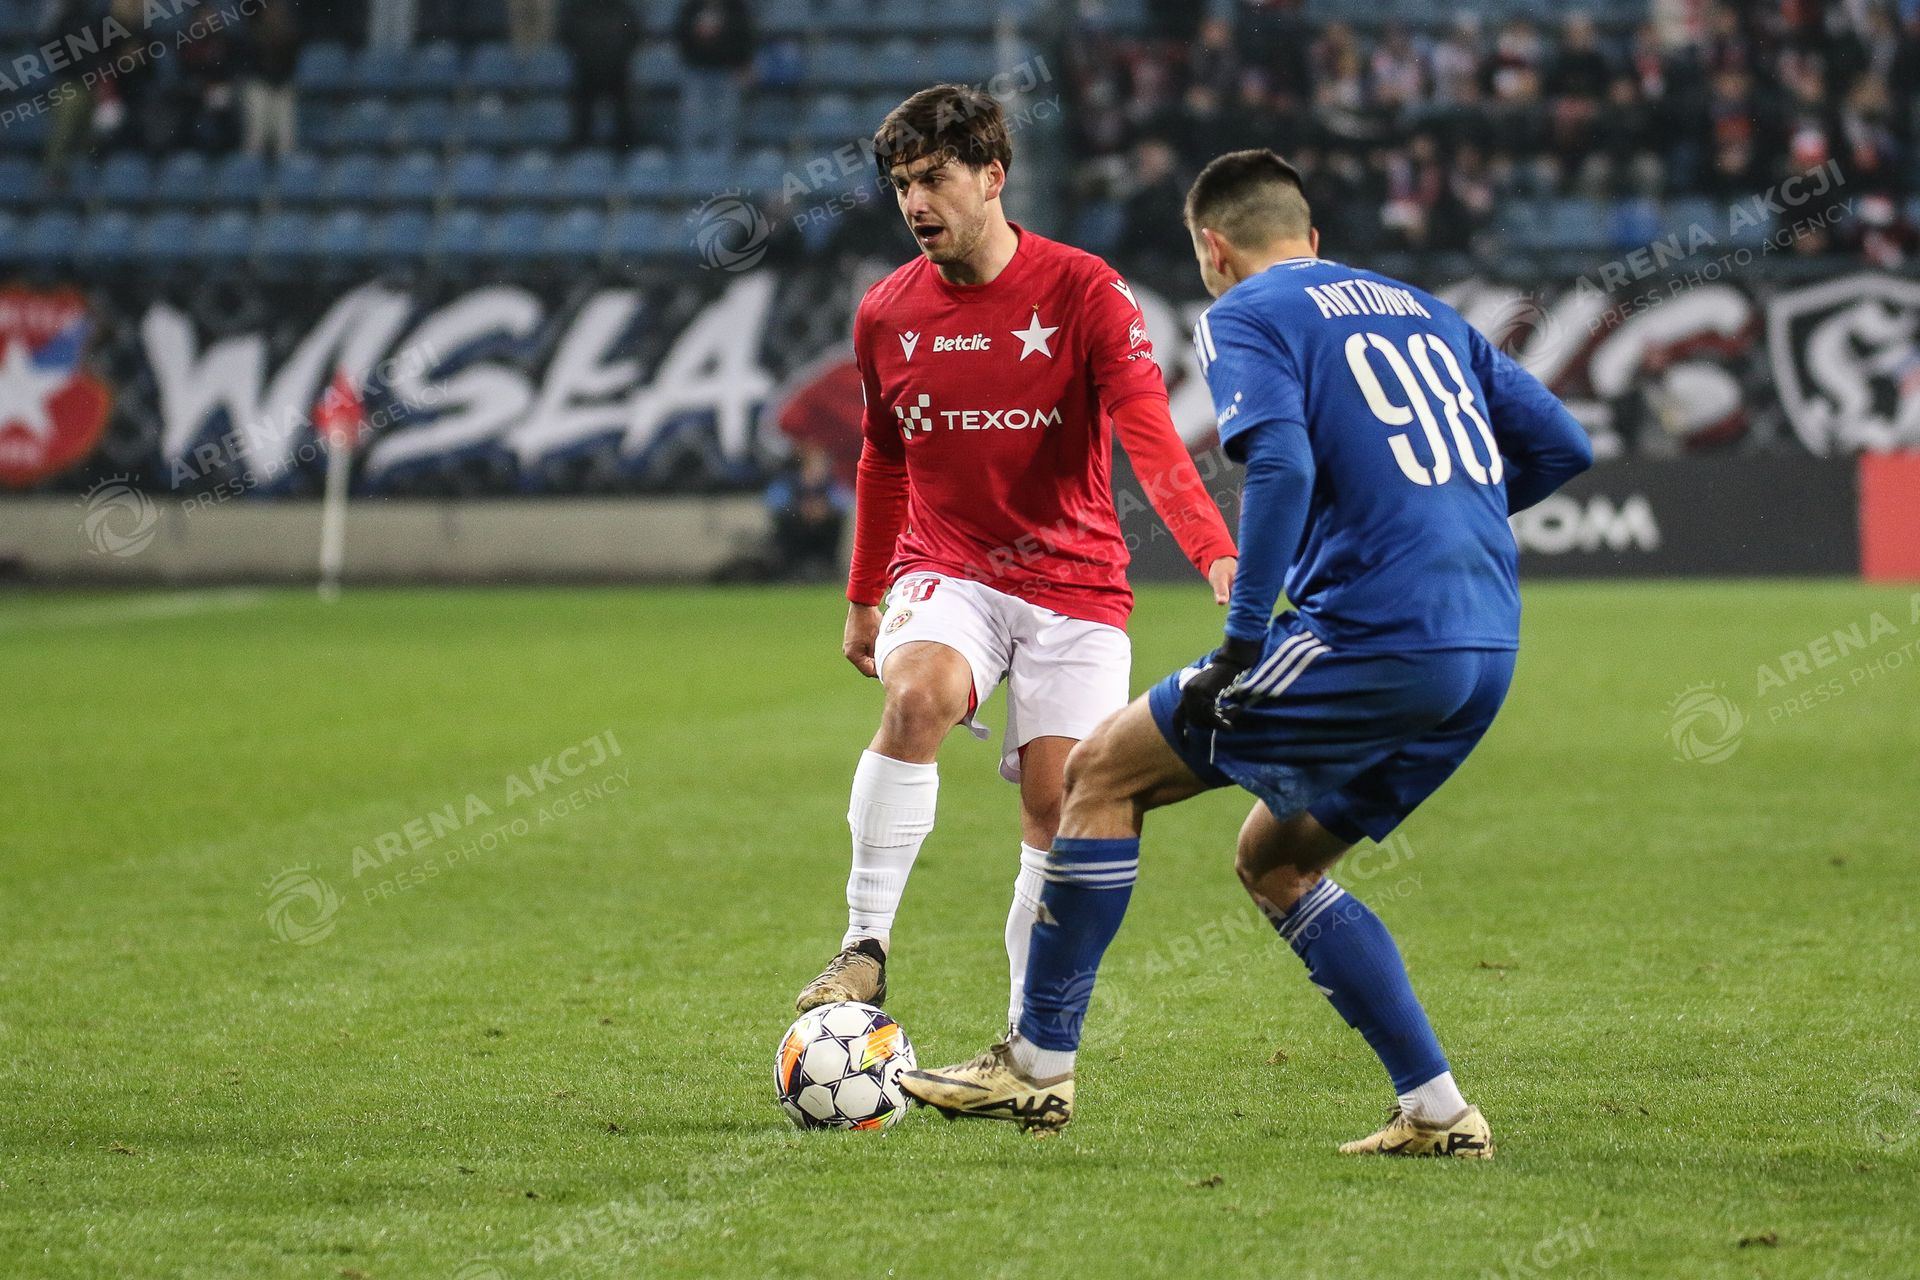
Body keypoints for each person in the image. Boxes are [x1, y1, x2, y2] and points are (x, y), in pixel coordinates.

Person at [903, 149, 1594, 1153]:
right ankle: (1439, 1111)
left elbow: (1281, 462)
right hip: (1485, 645)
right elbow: (1564, 445)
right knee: (1277, 860)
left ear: (1212, 248)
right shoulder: (1426, 311)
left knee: (1100, 772)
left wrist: (1245, 634)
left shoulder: (1246, 313)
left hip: (1371, 633)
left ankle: (1035, 1065)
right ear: (1311, 237)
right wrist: (1438, 517)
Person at [791, 86, 1239, 1035]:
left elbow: (1150, 434)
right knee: (918, 696)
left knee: (1057, 806)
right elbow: (882, 457)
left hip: (1074, 583)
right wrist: (864, 596)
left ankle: (1024, 1047)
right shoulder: (886, 314)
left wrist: (1214, 552)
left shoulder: (1085, 291)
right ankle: (863, 945)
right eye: (902, 185)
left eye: (934, 179)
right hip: (947, 567)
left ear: (993, 177)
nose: (916, 203)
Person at [672, 0, 755, 162]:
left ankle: (725, 162)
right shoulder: (692, 7)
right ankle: (691, 163)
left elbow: (745, 34)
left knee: (727, 119)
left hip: (728, 71)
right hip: (696, 71)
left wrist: (743, 63)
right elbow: (681, 35)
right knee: (693, 119)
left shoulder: (736, 7)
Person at [561, 0, 642, 147]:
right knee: (582, 117)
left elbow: (634, 35)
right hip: (586, 70)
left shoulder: (622, 9)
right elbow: (567, 36)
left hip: (616, 69)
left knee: (625, 118)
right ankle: (580, 149)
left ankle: (627, 149)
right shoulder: (577, 10)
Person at [240, 0, 301, 160]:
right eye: (271, 12)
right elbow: (251, 67)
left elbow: (290, 67)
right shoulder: (254, 36)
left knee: (285, 137)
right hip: (259, 86)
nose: (274, 16)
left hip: (282, 87)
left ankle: (286, 167)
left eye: (278, 13)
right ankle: (250, 166)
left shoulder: (289, 36)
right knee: (256, 133)